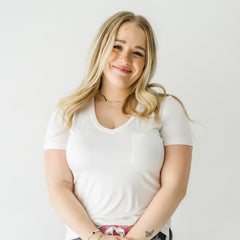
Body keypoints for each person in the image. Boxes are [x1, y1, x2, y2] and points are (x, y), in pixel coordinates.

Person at [43, 11, 193, 240]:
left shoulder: (166, 109)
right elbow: (59, 187)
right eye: (117, 46)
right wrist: (96, 237)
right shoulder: (67, 112)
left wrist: (135, 238)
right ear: (101, 47)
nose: (125, 59)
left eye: (137, 52)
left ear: (147, 60)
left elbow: (175, 187)